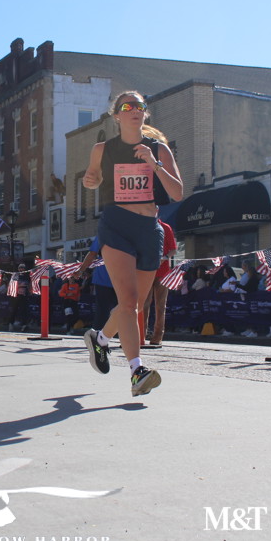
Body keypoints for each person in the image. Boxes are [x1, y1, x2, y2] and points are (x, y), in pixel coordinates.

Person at [81, 90, 183, 397]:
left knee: (134, 305)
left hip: (149, 229)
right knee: (127, 302)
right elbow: (92, 178)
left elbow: (177, 193)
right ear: (117, 115)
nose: (134, 110)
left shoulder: (159, 149)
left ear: (144, 112)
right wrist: (89, 180)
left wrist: (154, 164)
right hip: (116, 226)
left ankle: (100, 339)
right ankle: (137, 371)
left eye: (139, 105)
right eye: (127, 106)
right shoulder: (102, 149)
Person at [141, 219, 176, 348]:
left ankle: (157, 337)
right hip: (147, 271)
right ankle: (141, 335)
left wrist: (165, 257)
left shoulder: (166, 227)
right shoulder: (143, 227)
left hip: (163, 272)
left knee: (160, 306)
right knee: (144, 304)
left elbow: (173, 249)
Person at [6, 264, 31, 332]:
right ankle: (11, 324)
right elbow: (11, 284)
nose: (21, 269)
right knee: (14, 310)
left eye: (22, 268)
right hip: (15, 295)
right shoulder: (15, 275)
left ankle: (24, 325)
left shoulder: (27, 277)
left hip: (24, 295)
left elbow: (29, 285)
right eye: (20, 268)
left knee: (24, 310)